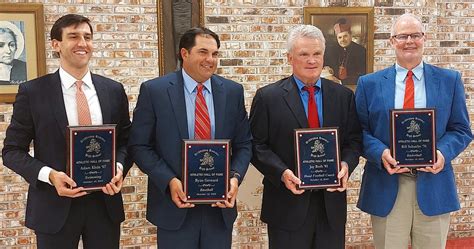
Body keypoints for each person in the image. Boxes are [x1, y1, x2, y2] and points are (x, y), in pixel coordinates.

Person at [2, 14, 132, 249]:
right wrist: (50, 175)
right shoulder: (33, 92)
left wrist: (119, 168)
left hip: (104, 206)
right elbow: (12, 151)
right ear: (56, 44)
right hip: (54, 206)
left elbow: (126, 142)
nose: (82, 43)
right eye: (73, 36)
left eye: (87, 37)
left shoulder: (113, 90)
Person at [355, 13, 472, 249]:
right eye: (402, 36)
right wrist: (380, 153)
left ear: (424, 38)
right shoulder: (369, 84)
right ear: (391, 41)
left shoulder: (449, 80)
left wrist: (441, 153)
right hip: (386, 184)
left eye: (415, 35)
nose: (409, 41)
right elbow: (358, 131)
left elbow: (461, 129)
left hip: (434, 185)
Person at [128, 27, 252, 249]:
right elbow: (139, 145)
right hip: (174, 207)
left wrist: (234, 178)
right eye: (203, 52)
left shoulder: (233, 92)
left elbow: (244, 144)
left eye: (215, 54)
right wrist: (169, 181)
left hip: (219, 209)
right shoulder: (154, 91)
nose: (210, 60)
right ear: (184, 53)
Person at [250, 24, 362, 249]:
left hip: (330, 207)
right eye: (304, 54)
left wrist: (346, 165)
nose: (312, 60)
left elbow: (354, 141)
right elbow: (255, 145)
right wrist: (282, 173)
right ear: (290, 57)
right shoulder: (267, 98)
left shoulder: (343, 96)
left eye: (317, 54)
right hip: (286, 205)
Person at [324, 18, 366, 85]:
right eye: (339, 37)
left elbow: (363, 75)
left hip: (353, 86)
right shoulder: (330, 50)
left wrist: (341, 82)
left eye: (345, 36)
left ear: (351, 36)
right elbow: (324, 67)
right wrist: (327, 68)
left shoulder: (361, 51)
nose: (342, 40)